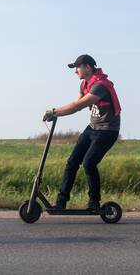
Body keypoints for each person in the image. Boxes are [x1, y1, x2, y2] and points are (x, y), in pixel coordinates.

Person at [42, 54, 121, 211]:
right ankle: (61, 202)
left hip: (107, 130)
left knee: (89, 163)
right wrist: (55, 114)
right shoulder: (85, 84)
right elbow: (76, 105)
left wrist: (53, 111)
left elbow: (77, 106)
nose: (75, 71)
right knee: (72, 162)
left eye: (77, 67)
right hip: (93, 128)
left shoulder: (100, 86)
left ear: (87, 67)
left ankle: (94, 203)